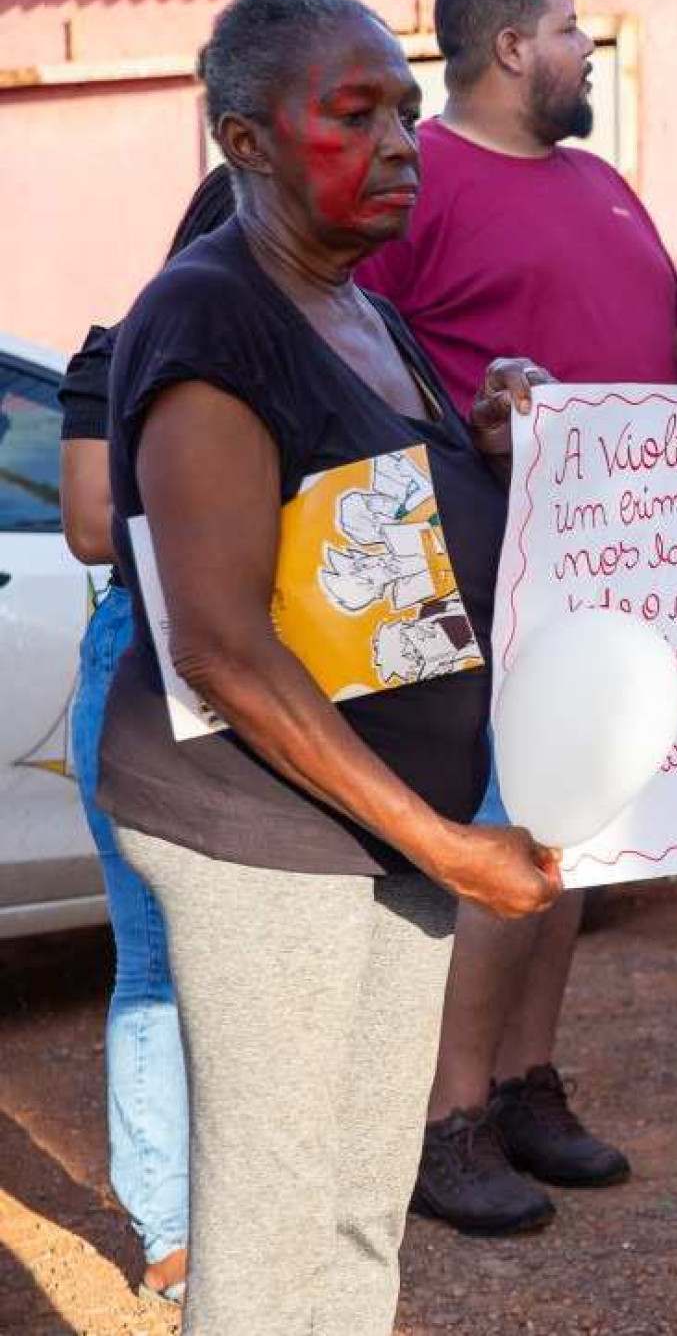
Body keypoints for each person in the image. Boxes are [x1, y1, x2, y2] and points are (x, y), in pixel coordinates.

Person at [97, 0, 562, 1334]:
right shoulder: (209, 320)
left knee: (363, 1194)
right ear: (244, 142)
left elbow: (370, 525)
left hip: (379, 828)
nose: (404, 143)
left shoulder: (363, 309)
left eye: (407, 112)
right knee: (277, 1207)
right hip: (263, 827)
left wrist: (479, 438)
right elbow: (225, 644)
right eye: (354, 116)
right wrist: (443, 836)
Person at [355, 0, 677, 1234]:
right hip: (490, 563)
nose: (585, 49)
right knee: (504, 839)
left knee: (573, 833)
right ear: (513, 46)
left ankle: (522, 1084)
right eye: (572, 29)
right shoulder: (421, 184)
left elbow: (666, 335)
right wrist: (470, 426)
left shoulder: (600, 181)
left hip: (616, 570)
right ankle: (443, 1119)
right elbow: (359, 365)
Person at [55, 164, 236, 1305]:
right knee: (160, 963)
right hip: (146, 653)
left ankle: (259, 1204)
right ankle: (171, 1225)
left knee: (285, 955)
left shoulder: (350, 348)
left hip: (296, 663)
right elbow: (86, 527)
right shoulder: (114, 351)